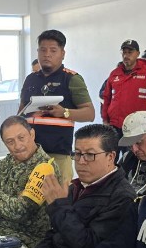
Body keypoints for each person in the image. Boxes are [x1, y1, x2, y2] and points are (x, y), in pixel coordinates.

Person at [35, 124, 134, 248]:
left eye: (89, 155)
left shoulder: (122, 198)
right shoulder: (76, 186)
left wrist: (58, 207)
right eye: (78, 154)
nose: (81, 161)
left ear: (111, 157)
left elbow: (87, 247)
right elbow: (55, 234)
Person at [20, 29, 95, 185]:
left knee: (58, 204)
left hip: (58, 155)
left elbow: (90, 113)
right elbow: (20, 112)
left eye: (53, 50)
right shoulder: (30, 79)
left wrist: (64, 112)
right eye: (43, 50)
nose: (47, 54)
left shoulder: (72, 79)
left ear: (62, 53)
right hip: (29, 154)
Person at [0, 116, 61, 248]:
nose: (17, 146)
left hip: (25, 239)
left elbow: (20, 212)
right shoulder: (5, 163)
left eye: (21, 138)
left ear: (32, 134)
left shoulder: (45, 167)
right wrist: (8, 201)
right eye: (10, 142)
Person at [101, 40, 146, 134]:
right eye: (124, 52)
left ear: (137, 54)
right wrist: (105, 119)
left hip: (138, 126)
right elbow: (107, 98)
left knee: (135, 149)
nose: (126, 55)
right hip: (115, 125)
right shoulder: (115, 73)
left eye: (130, 52)